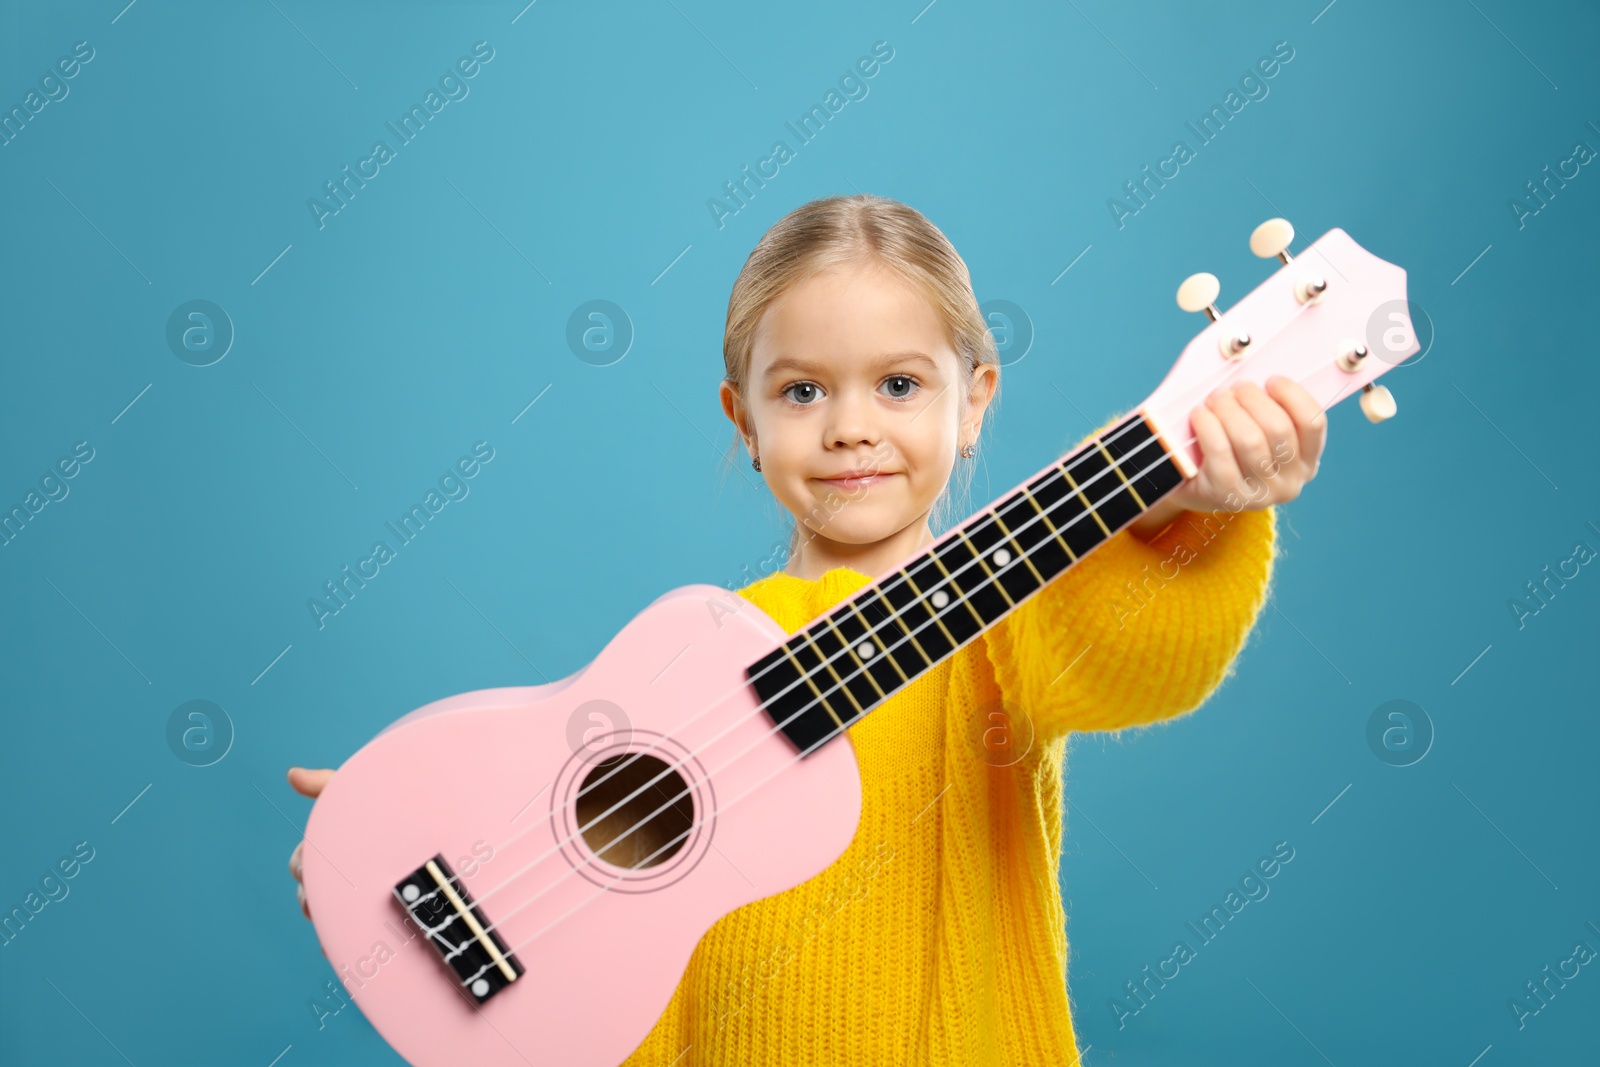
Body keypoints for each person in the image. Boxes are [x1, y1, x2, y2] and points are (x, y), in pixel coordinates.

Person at [288, 193, 1324, 1063]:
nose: (850, 426)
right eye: (802, 391)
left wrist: (1181, 521)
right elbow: (612, 949)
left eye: (901, 383)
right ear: (744, 419)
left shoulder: (1010, 625)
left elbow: (1140, 665)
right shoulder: (691, 647)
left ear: (975, 402)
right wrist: (401, 841)